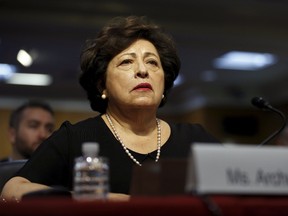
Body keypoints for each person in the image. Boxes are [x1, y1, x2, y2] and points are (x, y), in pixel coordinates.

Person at [1, 15, 219, 202]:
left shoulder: (194, 139)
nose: (143, 70)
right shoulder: (74, 140)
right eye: (126, 62)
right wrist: (99, 200)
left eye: (152, 62)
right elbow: (12, 190)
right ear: (102, 84)